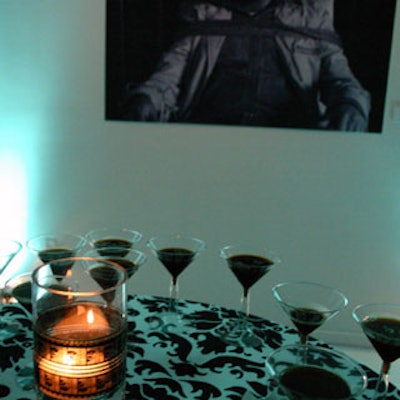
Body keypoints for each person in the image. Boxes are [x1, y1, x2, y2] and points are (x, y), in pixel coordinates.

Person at [123, 0, 371, 132]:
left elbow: (342, 81)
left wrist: (350, 105)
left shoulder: (309, 19)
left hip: (288, 140)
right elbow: (167, 78)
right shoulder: (204, 16)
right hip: (209, 137)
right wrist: (146, 99)